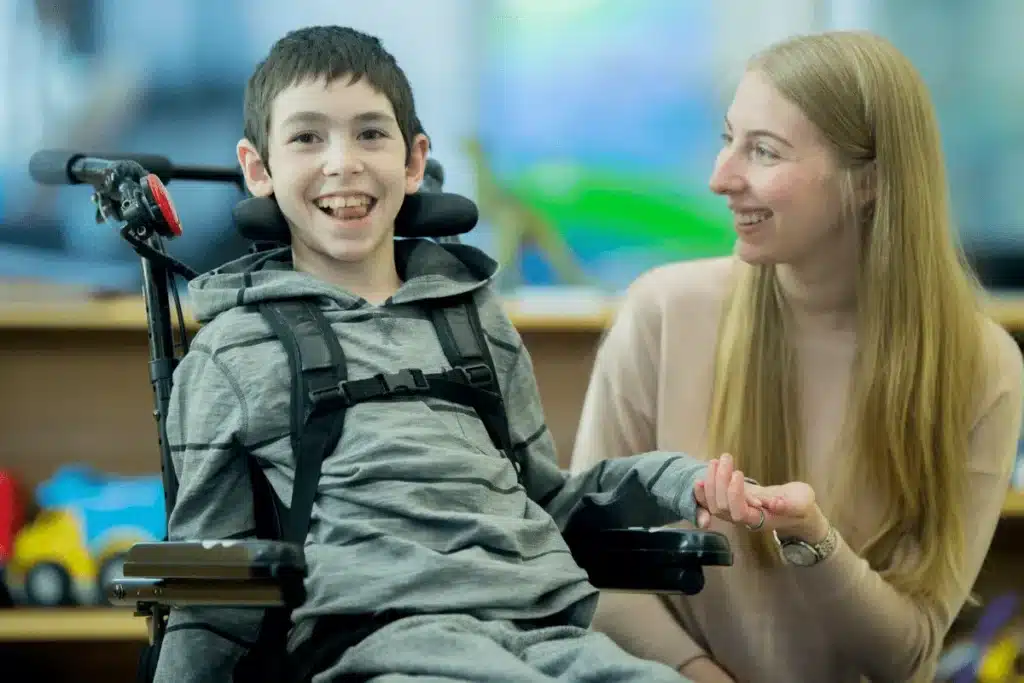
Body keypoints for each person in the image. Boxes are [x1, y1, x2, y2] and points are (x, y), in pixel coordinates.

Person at [152, 25, 742, 683]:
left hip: (545, 635)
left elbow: (552, 502)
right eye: (307, 137)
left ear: (413, 160)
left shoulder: (472, 318)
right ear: (258, 168)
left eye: (370, 133)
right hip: (388, 649)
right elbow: (212, 588)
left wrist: (672, 481)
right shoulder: (233, 351)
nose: (342, 161)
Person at [570, 30, 1024, 683]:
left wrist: (815, 541)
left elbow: (910, 653)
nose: (720, 177)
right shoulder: (661, 314)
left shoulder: (984, 368)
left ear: (868, 181)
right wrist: (697, 673)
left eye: (763, 150)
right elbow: (588, 566)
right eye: (729, 138)